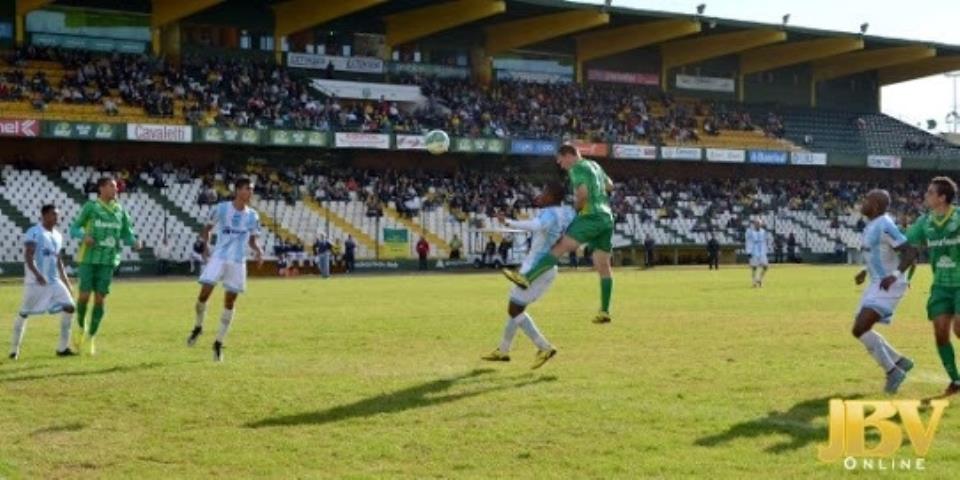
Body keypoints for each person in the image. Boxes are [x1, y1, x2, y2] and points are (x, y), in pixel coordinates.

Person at [503, 145, 615, 325]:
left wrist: (576, 209)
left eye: (560, 160)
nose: (560, 164)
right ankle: (605, 311)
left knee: (558, 248)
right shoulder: (594, 165)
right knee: (604, 266)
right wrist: (597, 192)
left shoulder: (576, 168)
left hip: (590, 216)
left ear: (569, 155)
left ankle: (527, 278)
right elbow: (610, 185)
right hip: (607, 217)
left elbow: (582, 194)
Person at [483, 183, 574, 369]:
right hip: (547, 266)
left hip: (535, 268)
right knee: (517, 307)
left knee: (514, 309)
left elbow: (535, 225)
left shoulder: (550, 214)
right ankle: (503, 350)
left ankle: (544, 347)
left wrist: (508, 222)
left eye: (544, 192)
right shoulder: (563, 212)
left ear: (552, 196)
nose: (541, 194)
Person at [187, 178, 264, 362]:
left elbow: (253, 240)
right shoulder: (221, 208)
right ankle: (198, 326)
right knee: (204, 294)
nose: (250, 192)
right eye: (247, 189)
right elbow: (207, 229)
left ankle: (218, 343)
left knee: (230, 301)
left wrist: (258, 250)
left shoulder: (253, 216)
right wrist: (205, 246)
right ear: (237, 190)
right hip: (219, 257)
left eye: (251, 189)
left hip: (237, 262)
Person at [852, 189, 919, 394]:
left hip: (889, 284)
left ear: (875, 206)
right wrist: (865, 270)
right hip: (876, 282)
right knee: (860, 329)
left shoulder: (885, 225)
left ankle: (893, 371)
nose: (863, 203)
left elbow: (910, 252)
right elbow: (880, 253)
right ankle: (899, 361)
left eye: (867, 200)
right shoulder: (872, 225)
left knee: (860, 327)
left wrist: (895, 275)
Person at [69, 177, 142, 355]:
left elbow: (127, 234)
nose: (116, 190)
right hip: (88, 259)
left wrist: (134, 242)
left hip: (108, 261)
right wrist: (84, 236)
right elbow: (74, 229)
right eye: (112, 186)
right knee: (84, 296)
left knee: (100, 299)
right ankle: (81, 327)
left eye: (116, 187)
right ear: (101, 188)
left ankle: (91, 337)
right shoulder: (91, 207)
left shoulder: (120, 210)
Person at [905, 177, 960, 395]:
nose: (925, 196)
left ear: (942, 197)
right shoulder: (925, 222)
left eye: (930, 192)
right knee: (940, 332)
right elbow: (907, 241)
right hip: (940, 285)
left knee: (959, 328)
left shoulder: (958, 216)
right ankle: (956, 381)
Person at [9, 205, 77, 359]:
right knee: (24, 313)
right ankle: (14, 350)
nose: (56, 218)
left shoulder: (58, 235)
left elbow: (58, 259)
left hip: (54, 281)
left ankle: (62, 348)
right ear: (44, 215)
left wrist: (66, 281)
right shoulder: (34, 232)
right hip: (35, 282)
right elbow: (28, 255)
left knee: (70, 307)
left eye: (57, 215)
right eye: (53, 214)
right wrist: (37, 274)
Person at [745, 219, 769, 288]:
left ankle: (760, 279)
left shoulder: (763, 231)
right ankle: (754, 283)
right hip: (754, 251)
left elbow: (765, 241)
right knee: (754, 267)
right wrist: (748, 251)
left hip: (762, 252)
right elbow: (748, 241)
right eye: (756, 223)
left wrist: (765, 250)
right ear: (754, 224)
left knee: (766, 266)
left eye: (759, 224)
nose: (758, 225)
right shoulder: (750, 231)